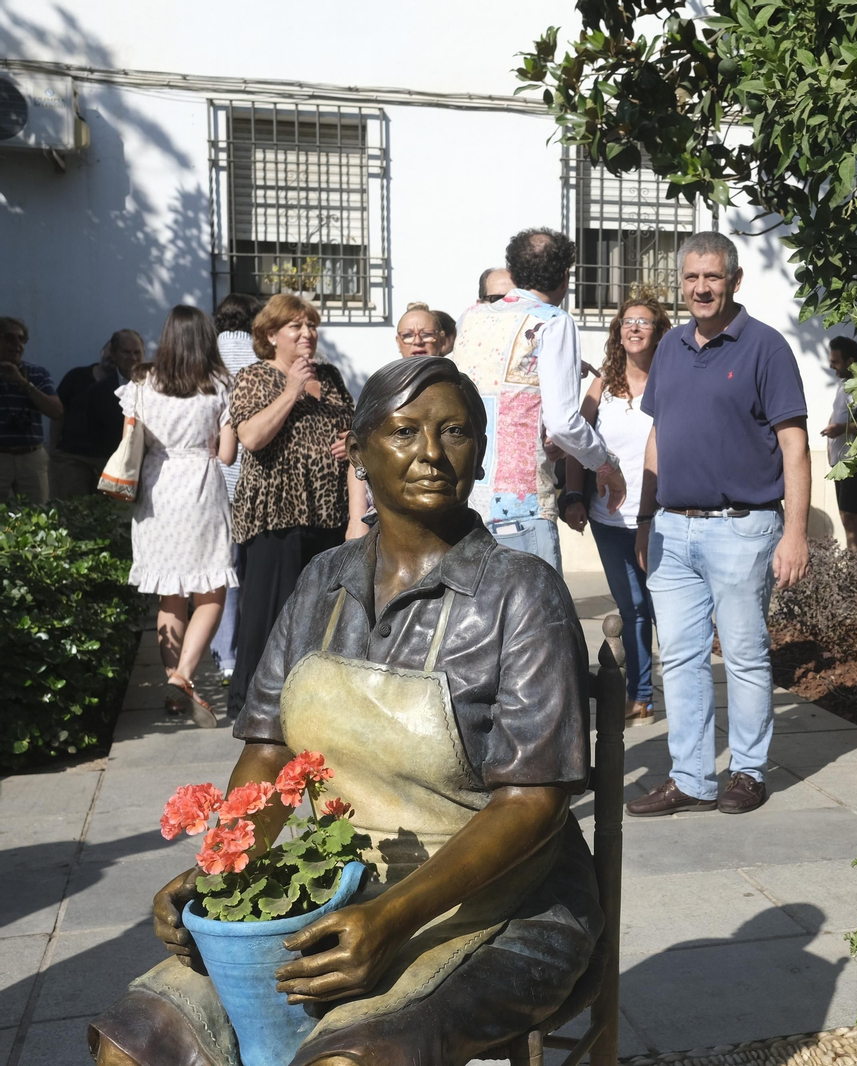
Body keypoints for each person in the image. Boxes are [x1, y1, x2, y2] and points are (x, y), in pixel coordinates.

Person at [88, 356, 600, 1066]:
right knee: (136, 1043)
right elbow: (268, 751)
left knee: (349, 1059)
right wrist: (223, 871)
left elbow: (531, 803)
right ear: (357, 450)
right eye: (404, 432)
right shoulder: (322, 582)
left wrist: (391, 917)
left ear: (479, 454)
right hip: (336, 886)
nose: (430, 452)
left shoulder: (522, 594)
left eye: (455, 432)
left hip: (502, 905)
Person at [625, 231, 810, 818]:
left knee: (744, 654)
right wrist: (645, 519)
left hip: (742, 528)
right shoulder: (672, 347)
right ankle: (692, 779)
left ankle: (749, 772)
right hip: (672, 531)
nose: (701, 288)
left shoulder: (766, 348)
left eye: (712, 277)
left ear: (733, 281)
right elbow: (658, 438)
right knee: (678, 656)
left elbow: (794, 445)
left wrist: (796, 532)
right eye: (691, 278)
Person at [450, 228, 624, 573]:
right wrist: (606, 465)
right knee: (536, 624)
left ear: (512, 272)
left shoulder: (471, 317)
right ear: (564, 276)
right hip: (522, 510)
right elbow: (563, 425)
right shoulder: (553, 322)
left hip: (464, 506)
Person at [228, 294, 365, 719]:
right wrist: (290, 389)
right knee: (268, 614)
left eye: (310, 325)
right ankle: (252, 704)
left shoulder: (331, 375)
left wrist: (351, 446)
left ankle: (313, 701)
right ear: (270, 335)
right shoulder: (253, 377)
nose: (307, 333)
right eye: (295, 326)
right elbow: (251, 438)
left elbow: (355, 438)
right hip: (276, 515)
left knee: (323, 614)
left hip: (330, 514)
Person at [119, 307, 238, 728]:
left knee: (170, 595)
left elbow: (131, 442)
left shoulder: (142, 381)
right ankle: (184, 676)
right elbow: (226, 455)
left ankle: (174, 688)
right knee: (211, 589)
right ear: (207, 339)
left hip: (156, 490)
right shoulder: (220, 383)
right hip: (201, 489)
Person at [561, 294, 671, 724]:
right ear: (618, 332)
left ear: (659, 331)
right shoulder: (604, 382)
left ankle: (683, 692)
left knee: (666, 608)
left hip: (663, 517)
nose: (634, 328)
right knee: (633, 609)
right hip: (609, 521)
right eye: (627, 321)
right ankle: (640, 694)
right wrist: (574, 496)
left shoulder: (671, 379)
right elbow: (575, 440)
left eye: (644, 321)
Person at [208, 294, 264, 680]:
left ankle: (225, 654)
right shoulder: (264, 359)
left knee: (223, 571)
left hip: (214, 478)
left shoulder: (204, 359)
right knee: (257, 571)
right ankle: (256, 649)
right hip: (259, 477)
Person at [50, 329, 145, 497]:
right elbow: (93, 431)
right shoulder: (98, 390)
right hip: (97, 461)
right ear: (114, 354)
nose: (133, 357)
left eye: (137, 352)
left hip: (139, 463)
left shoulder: (155, 385)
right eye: (126, 352)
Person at [820, 335, 857, 551]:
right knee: (854, 514)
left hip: (856, 460)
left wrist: (842, 429)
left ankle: (856, 568)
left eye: (835, 361)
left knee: (849, 516)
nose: (831, 365)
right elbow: (838, 415)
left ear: (850, 361)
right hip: (842, 460)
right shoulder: (843, 385)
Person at [0, 315, 63, 504]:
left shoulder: (37, 373)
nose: (17, 344)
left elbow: (56, 411)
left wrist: (23, 383)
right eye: (9, 338)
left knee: (37, 516)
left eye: (22, 339)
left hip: (31, 457)